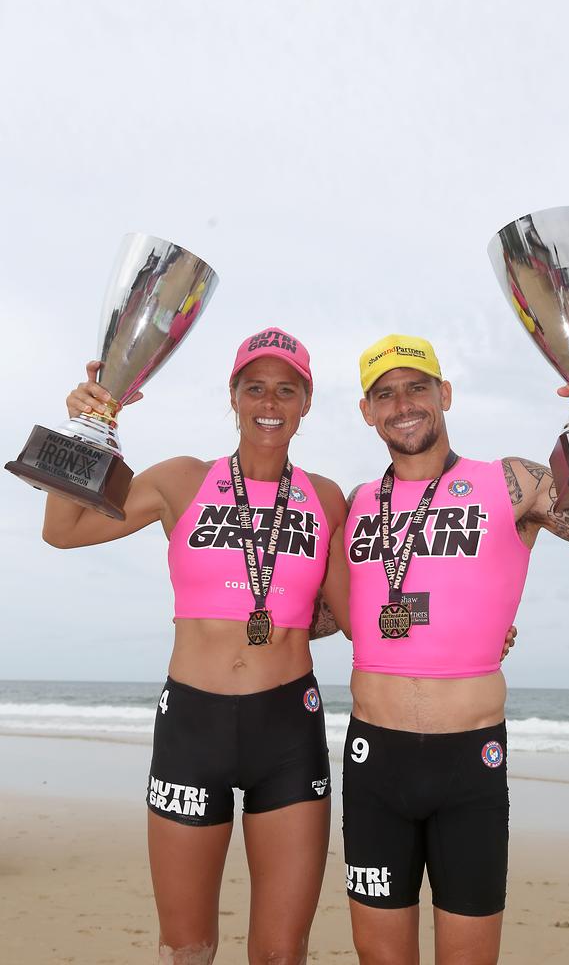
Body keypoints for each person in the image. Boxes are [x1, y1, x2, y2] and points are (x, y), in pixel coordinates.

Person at [42, 326, 351, 965]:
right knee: (187, 949)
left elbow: (357, 613)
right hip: (192, 726)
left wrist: (470, 629)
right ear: (233, 397)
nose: (270, 402)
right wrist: (85, 433)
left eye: (286, 390)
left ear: (306, 403)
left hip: (287, 729)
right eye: (256, 387)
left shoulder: (325, 497)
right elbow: (63, 529)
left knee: (280, 953)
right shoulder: (180, 480)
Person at [342, 333, 569, 965]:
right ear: (367, 412)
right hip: (373, 765)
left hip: (469, 767)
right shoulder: (355, 506)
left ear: (445, 394)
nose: (404, 403)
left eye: (417, 386)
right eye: (386, 393)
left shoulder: (511, 482)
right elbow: (314, 609)